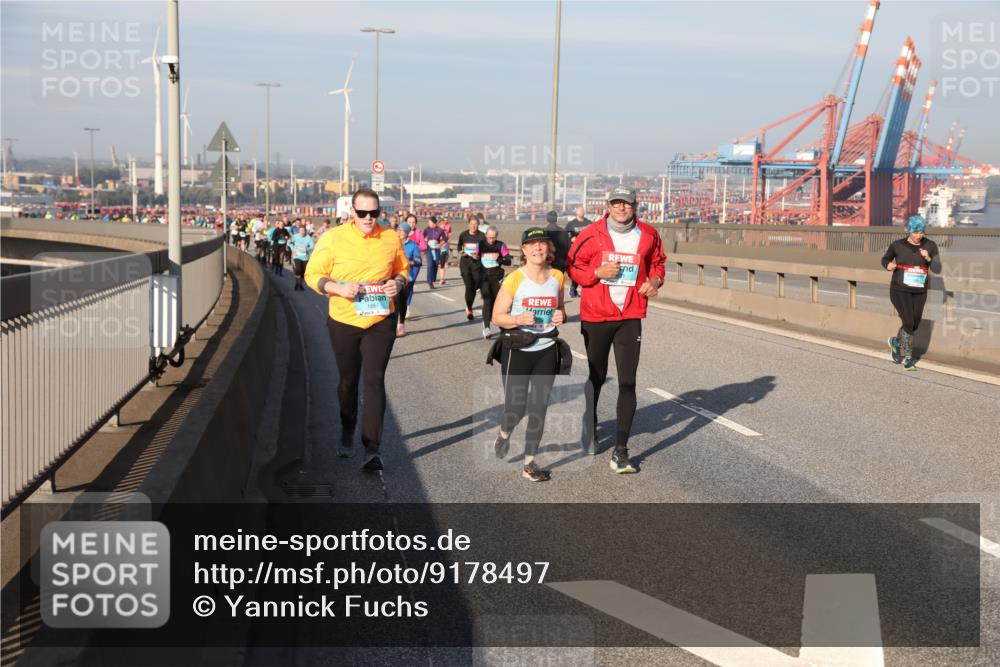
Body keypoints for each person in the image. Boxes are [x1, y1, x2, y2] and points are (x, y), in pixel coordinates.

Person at [305, 187, 410, 471]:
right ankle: (346, 427)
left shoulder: (390, 237)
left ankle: (372, 448)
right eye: (362, 212)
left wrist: (397, 283)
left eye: (373, 213)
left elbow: (403, 269)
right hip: (344, 319)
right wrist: (337, 287)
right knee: (348, 382)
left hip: (380, 319)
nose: (368, 217)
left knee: (375, 379)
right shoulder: (333, 238)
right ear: (352, 212)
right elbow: (312, 274)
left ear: (380, 212)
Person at [567, 185, 666, 474]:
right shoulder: (591, 234)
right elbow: (572, 265)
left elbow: (659, 263)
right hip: (596, 315)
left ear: (636, 206)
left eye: (627, 203)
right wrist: (595, 273)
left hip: (630, 314)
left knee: (627, 382)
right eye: (616, 203)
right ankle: (590, 427)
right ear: (607, 206)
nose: (622, 208)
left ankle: (621, 451)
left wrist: (655, 283)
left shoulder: (648, 235)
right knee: (596, 377)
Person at [489, 227, 568, 482]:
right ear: (523, 250)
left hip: (546, 348)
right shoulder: (515, 279)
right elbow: (496, 317)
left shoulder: (557, 276)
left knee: (539, 407)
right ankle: (504, 433)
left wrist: (561, 316)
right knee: (515, 407)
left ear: (548, 249)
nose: (538, 249)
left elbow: (561, 310)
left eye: (542, 244)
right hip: (518, 349)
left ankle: (529, 463)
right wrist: (517, 318)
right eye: (532, 245)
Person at [882, 214, 940, 370]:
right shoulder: (897, 245)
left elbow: (937, 268)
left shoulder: (930, 245)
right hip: (899, 290)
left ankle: (896, 342)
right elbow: (885, 259)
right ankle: (908, 357)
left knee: (914, 323)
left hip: (919, 291)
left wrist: (928, 258)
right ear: (909, 231)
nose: (918, 236)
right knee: (908, 322)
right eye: (915, 232)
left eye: (921, 232)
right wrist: (888, 265)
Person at [479, 225, 511, 338]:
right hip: (483, 277)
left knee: (498, 303)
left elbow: (508, 261)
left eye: (493, 237)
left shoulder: (501, 245)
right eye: (489, 237)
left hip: (496, 276)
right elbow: (476, 258)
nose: (491, 240)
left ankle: (501, 324)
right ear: (486, 235)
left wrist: (500, 259)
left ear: (496, 236)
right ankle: (486, 328)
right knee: (487, 301)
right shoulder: (481, 244)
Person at [456, 215, 487, 320]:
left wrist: (479, 255)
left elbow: (485, 249)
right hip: (465, 264)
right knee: (469, 286)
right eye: (471, 224)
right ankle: (469, 309)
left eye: (475, 224)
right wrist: (462, 252)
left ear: (478, 225)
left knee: (474, 287)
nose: (473, 226)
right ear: (468, 224)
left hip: (477, 265)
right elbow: (459, 247)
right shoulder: (463, 235)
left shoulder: (482, 236)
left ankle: (469, 304)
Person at [394, 222, 423, 336]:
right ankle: (393, 324)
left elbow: (419, 261)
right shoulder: (392, 243)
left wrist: (409, 262)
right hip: (393, 276)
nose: (400, 232)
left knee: (402, 301)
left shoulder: (413, 245)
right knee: (394, 301)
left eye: (402, 230)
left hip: (407, 277)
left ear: (407, 233)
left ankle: (401, 324)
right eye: (398, 229)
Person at [565, 206, 592, 298]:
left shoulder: (589, 223)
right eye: (580, 210)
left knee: (587, 270)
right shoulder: (571, 224)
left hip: (588, 250)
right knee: (577, 269)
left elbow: (594, 234)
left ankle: (586, 290)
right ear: (576, 212)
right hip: (576, 251)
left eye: (583, 210)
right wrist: (571, 238)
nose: (582, 212)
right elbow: (566, 235)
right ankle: (573, 288)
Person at [289, 224, 316, 291]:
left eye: (303, 231)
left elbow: (312, 246)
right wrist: (293, 249)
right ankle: (296, 283)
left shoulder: (308, 237)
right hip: (296, 256)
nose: (302, 232)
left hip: (305, 257)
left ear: (305, 231)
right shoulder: (295, 236)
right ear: (299, 231)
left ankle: (300, 284)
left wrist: (307, 248)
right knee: (298, 269)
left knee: (303, 272)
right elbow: (290, 243)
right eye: (300, 230)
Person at [424, 217, 447, 288]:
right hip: (429, 249)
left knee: (436, 264)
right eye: (428, 222)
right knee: (430, 265)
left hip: (437, 249)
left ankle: (433, 278)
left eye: (430, 222)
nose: (429, 224)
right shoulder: (427, 229)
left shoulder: (440, 230)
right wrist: (425, 242)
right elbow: (422, 237)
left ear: (434, 223)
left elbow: (445, 238)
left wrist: (440, 244)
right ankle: (430, 282)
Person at [437, 216, 453, 285]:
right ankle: (437, 277)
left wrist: (447, 239)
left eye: (445, 223)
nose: (444, 224)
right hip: (437, 248)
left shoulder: (448, 228)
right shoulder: (437, 229)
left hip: (444, 248)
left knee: (442, 264)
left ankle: (442, 279)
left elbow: (449, 236)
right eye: (443, 223)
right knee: (438, 264)